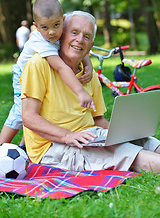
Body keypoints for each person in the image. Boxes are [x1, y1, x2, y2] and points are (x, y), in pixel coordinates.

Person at [21, 10, 160, 173]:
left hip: (89, 135)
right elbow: (29, 117)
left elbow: (97, 119)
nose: (80, 40)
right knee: (128, 154)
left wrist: (124, 132)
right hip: (53, 147)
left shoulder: (89, 74)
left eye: (86, 36)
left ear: (91, 46)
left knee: (147, 142)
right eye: (74, 33)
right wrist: (67, 136)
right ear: (61, 35)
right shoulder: (39, 65)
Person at [0, 0, 94, 146]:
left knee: (42, 108)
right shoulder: (41, 41)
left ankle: (25, 146)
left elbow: (82, 51)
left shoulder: (60, 31)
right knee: (21, 111)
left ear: (63, 20)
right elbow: (60, 67)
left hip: (42, 74)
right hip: (22, 74)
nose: (51, 32)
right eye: (45, 28)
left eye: (56, 25)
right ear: (36, 27)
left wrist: (88, 65)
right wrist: (81, 92)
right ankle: (1, 145)